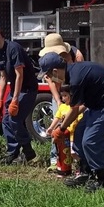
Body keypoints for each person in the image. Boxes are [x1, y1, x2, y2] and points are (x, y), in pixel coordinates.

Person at [40, 52, 104, 192]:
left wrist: (61, 129)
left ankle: (103, 179)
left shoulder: (75, 78)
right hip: (97, 104)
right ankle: (86, 172)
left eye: (48, 75)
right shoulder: (72, 73)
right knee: (79, 133)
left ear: (55, 71)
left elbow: (74, 110)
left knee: (91, 141)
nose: (49, 78)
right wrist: (63, 125)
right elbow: (81, 105)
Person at [0, 22, 39, 164]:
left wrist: (15, 99)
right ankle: (12, 152)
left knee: (14, 119)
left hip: (27, 89)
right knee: (6, 120)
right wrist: (0, 100)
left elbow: (19, 75)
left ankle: (28, 151)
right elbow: (3, 77)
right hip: (15, 90)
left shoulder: (14, 49)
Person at [39, 33, 85, 172]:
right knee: (57, 127)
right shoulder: (47, 61)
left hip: (75, 92)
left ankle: (78, 158)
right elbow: (51, 81)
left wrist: (73, 103)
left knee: (75, 125)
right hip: (60, 93)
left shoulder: (77, 56)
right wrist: (59, 101)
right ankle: (56, 159)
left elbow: (79, 78)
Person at [45, 84, 83, 176]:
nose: (63, 98)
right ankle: (64, 170)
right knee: (63, 153)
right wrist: (51, 128)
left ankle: (81, 167)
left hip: (73, 136)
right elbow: (57, 118)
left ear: (72, 95)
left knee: (73, 153)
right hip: (63, 136)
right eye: (62, 96)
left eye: (65, 96)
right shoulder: (62, 107)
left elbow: (79, 119)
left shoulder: (76, 107)